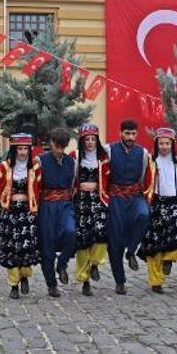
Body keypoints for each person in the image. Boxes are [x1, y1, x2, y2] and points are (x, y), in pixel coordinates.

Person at [0, 134, 41, 299]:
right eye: (19, 149)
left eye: (25, 149)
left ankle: (25, 276)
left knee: (26, 247)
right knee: (12, 249)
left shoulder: (35, 166)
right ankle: (14, 284)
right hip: (10, 213)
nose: (22, 152)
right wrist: (2, 204)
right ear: (14, 150)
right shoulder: (4, 167)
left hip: (28, 212)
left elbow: (40, 187)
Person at [137, 128, 177, 294]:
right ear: (156, 144)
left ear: (172, 145)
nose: (164, 146)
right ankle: (156, 281)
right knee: (154, 246)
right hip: (156, 204)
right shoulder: (150, 160)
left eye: (167, 143)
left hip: (175, 204)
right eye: (161, 143)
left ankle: (169, 259)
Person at [105, 119, 151, 295]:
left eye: (133, 134)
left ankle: (131, 251)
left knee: (143, 215)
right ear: (120, 133)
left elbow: (145, 177)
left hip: (135, 196)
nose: (130, 137)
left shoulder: (143, 153)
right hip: (116, 198)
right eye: (127, 133)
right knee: (115, 241)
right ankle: (120, 281)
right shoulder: (109, 150)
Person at [36, 127, 77, 298]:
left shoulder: (70, 162)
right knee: (48, 246)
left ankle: (62, 263)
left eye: (63, 147)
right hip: (47, 206)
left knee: (71, 232)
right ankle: (51, 284)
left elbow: (73, 184)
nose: (59, 150)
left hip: (66, 204)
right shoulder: (40, 161)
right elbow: (36, 186)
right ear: (51, 143)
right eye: (57, 146)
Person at [70, 124, 109, 297]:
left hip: (99, 200)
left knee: (101, 233)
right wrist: (78, 187)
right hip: (81, 202)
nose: (90, 142)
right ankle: (84, 280)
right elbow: (69, 179)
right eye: (87, 139)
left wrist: (98, 186)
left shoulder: (104, 158)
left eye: (93, 139)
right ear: (82, 141)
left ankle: (95, 263)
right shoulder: (75, 157)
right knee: (82, 240)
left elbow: (110, 179)